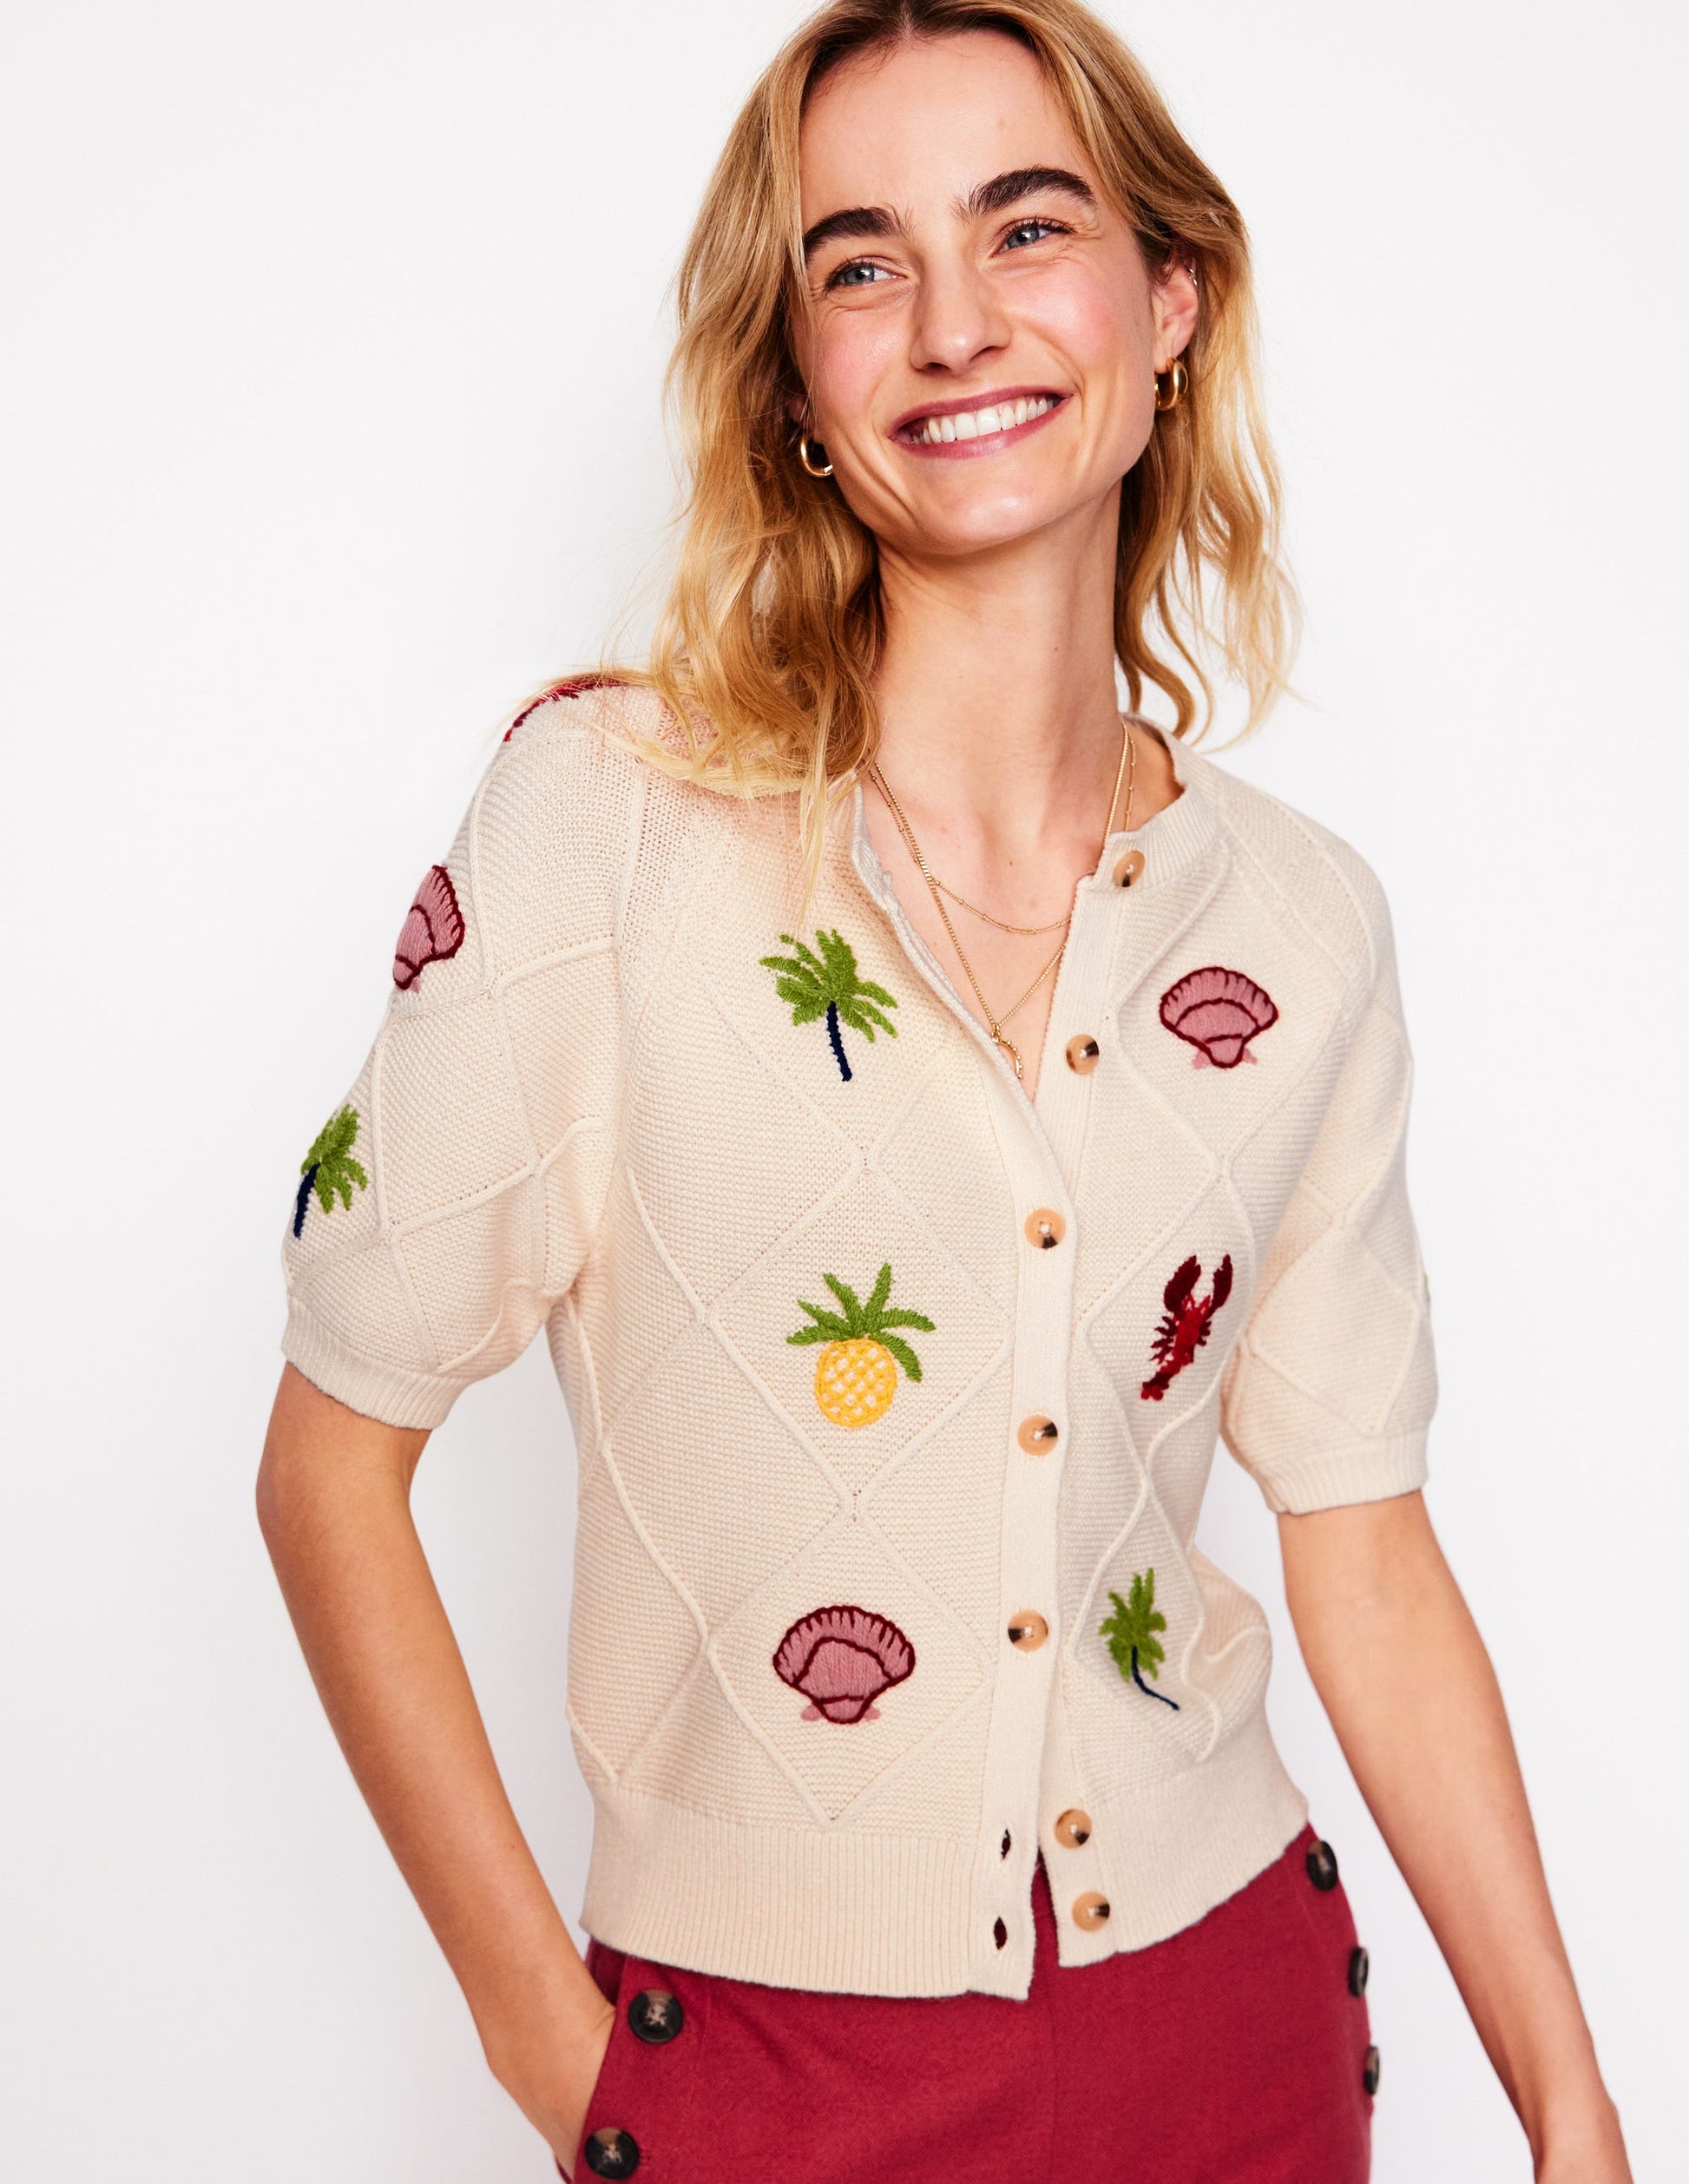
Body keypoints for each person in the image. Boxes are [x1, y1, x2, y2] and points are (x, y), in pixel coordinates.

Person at [256, 3, 1632, 2177]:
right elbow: (330, 1465)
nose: (954, 322)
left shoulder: (1300, 927)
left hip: (1234, 2040)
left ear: (1167, 303)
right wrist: (565, 2061)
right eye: (862, 263)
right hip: (765, 2080)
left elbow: (1360, 1540)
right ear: (796, 388)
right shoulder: (605, 827)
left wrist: (1569, 2105)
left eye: (1028, 226)